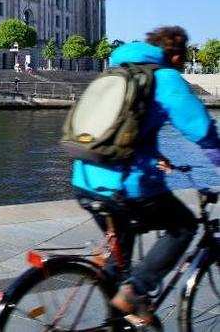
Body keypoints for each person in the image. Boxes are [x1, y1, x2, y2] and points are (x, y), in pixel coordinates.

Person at [71, 26, 220, 325]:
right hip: (121, 187)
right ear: (176, 55)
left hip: (83, 178)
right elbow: (202, 131)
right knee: (183, 226)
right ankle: (135, 293)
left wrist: (154, 157)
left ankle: (116, 320)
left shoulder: (118, 72)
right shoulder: (165, 78)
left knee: (119, 259)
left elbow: (123, 134)